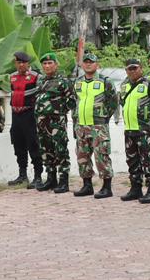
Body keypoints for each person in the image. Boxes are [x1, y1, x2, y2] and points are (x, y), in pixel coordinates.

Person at [72, 46, 118, 198]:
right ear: (82, 65)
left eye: (91, 62)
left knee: (101, 156)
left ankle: (106, 187)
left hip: (98, 125)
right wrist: (75, 122)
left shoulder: (105, 82)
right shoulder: (78, 82)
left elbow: (113, 102)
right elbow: (75, 103)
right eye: (85, 62)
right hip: (81, 125)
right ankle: (87, 185)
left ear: (97, 65)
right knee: (82, 156)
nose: (88, 64)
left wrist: (104, 117)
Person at [119, 58, 150, 202]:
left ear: (141, 68)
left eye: (135, 68)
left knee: (149, 160)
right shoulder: (124, 86)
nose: (132, 71)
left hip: (145, 130)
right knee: (132, 161)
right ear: (126, 71)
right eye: (130, 69)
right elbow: (122, 104)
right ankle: (135, 189)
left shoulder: (149, 84)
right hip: (130, 130)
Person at [34, 52, 74, 194]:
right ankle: (51, 179)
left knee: (60, 150)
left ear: (56, 65)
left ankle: (64, 181)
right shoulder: (41, 81)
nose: (47, 66)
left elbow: (72, 101)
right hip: (41, 122)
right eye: (44, 63)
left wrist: (59, 111)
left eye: (50, 63)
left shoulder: (63, 81)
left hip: (56, 122)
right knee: (46, 150)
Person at [7, 51, 44, 188]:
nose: (21, 65)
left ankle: (38, 176)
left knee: (33, 145)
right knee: (18, 146)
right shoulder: (11, 77)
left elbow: (40, 95)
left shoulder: (36, 77)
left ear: (28, 63)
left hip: (29, 115)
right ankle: (22, 175)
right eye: (18, 62)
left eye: (23, 62)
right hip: (16, 115)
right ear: (15, 63)